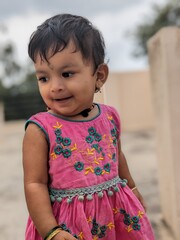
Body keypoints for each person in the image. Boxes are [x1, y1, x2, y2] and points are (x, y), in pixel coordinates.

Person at [22, 13, 155, 240]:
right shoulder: (40, 129)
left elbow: (117, 157)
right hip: (69, 227)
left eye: (67, 74)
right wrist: (51, 231)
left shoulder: (110, 117)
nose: (55, 87)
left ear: (99, 76)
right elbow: (35, 184)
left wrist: (131, 189)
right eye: (44, 78)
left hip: (116, 215)